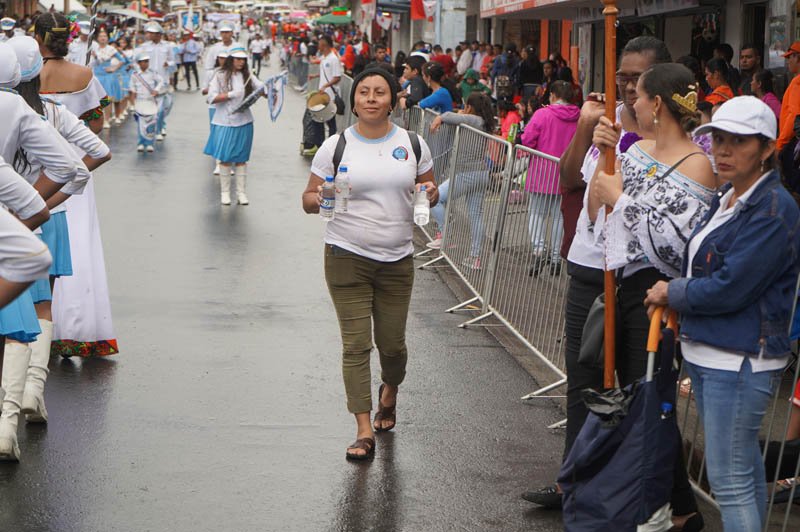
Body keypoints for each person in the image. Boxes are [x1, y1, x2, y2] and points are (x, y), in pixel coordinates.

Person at [523, 38, 695, 526]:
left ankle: (672, 503)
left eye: (637, 79)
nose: (627, 86)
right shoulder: (609, 121)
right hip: (590, 267)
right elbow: (579, 189)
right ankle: (575, 480)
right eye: (622, 75)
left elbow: (660, 226)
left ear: (658, 85)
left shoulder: (681, 147)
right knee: (584, 379)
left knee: (643, 393)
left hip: (641, 281)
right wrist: (590, 134)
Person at [644, 96, 799, 532]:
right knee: (742, 473)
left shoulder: (773, 208)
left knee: (730, 482)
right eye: (718, 139)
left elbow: (732, 286)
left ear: (766, 148)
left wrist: (672, 291)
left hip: (738, 359)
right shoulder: (728, 195)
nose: (724, 150)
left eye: (739, 141)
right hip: (715, 352)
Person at [302, 67, 437, 460]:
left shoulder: (412, 144)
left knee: (392, 346)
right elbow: (308, 200)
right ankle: (363, 430)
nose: (372, 98)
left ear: (393, 100)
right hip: (345, 255)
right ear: (355, 99)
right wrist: (323, 196)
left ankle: (389, 391)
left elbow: (428, 193)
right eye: (364, 92)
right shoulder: (336, 146)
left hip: (397, 260)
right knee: (356, 345)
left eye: (380, 92)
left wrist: (430, 193)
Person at [35, 11, 119, 359]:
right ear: (68, 38)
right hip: (74, 170)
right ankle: (76, 331)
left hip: (32, 171)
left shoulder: (26, 75)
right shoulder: (84, 75)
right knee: (79, 246)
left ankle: (34, 333)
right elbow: (97, 127)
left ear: (37, 38)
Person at [426, 92, 496, 268]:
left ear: (469, 107)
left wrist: (439, 118)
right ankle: (475, 257)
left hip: (465, 173)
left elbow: (449, 116)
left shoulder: (471, 119)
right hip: (481, 174)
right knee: (476, 215)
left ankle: (445, 233)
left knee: (433, 198)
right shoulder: (484, 122)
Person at [520, 80, 580, 274]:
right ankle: (555, 257)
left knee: (536, 213)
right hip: (566, 174)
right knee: (557, 217)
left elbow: (527, 140)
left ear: (553, 95)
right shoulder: (580, 117)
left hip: (542, 172)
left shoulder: (542, 114)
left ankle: (539, 249)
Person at [205, 45, 265, 206]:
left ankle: (241, 193)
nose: (241, 62)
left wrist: (271, 89)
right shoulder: (219, 75)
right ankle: (225, 193)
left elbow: (262, 89)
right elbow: (210, 98)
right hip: (224, 121)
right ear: (231, 60)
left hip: (244, 121)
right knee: (225, 158)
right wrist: (230, 95)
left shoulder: (248, 76)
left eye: (243, 59)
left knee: (241, 159)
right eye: (238, 59)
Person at [301, 35, 341, 157]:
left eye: (319, 44)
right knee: (318, 120)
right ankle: (320, 145)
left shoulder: (333, 59)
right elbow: (326, 73)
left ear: (325, 45)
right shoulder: (324, 58)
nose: (318, 46)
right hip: (322, 94)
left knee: (330, 121)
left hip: (330, 96)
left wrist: (326, 86)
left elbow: (337, 77)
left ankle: (332, 146)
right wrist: (315, 76)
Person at [136, 21, 175, 140]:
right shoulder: (144, 47)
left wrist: (168, 64)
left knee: (165, 107)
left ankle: (162, 123)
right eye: (149, 32)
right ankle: (156, 130)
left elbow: (173, 62)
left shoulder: (168, 46)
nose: (149, 35)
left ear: (159, 34)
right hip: (150, 81)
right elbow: (137, 61)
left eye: (152, 33)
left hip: (163, 80)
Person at [130, 53, 166, 153]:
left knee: (151, 122)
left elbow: (161, 80)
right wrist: (132, 104)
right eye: (144, 62)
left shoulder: (152, 73)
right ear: (139, 63)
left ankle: (150, 143)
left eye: (147, 61)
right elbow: (132, 89)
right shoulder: (135, 75)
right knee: (141, 123)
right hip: (140, 101)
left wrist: (156, 90)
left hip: (150, 101)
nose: (146, 63)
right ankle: (141, 143)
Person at [91, 31, 124, 129]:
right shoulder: (94, 48)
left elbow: (122, 60)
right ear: (97, 38)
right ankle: (95, 120)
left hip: (107, 76)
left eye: (105, 36)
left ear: (107, 38)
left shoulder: (111, 49)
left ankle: (107, 120)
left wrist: (114, 68)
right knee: (95, 99)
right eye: (101, 36)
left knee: (107, 99)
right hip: (96, 75)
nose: (103, 38)